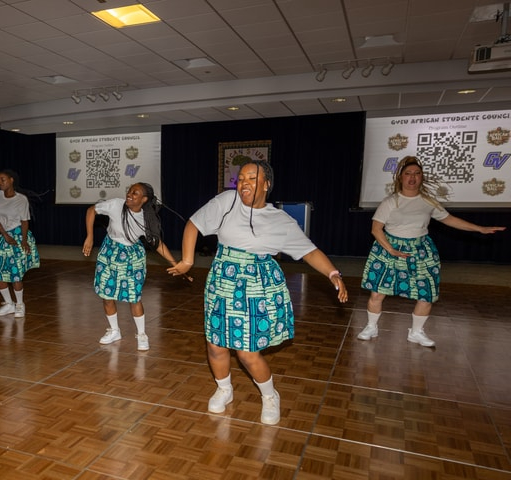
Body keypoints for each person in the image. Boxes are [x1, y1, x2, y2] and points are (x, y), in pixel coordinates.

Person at [168, 160, 347, 425]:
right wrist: (187, 260)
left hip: (257, 287)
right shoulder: (227, 202)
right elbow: (193, 224)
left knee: (246, 351)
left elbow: (309, 251)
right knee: (216, 343)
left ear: (267, 184)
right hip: (223, 282)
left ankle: (270, 395)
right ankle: (224, 389)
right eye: (240, 178)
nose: (244, 183)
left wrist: (334, 274)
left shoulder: (281, 220)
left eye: (252, 178)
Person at [357, 156, 505, 347]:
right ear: (400, 178)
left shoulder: (428, 202)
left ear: (422, 178)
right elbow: (376, 229)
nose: (412, 177)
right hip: (388, 248)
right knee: (377, 292)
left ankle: (416, 332)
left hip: (420, 251)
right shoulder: (391, 201)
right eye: (408, 174)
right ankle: (371, 327)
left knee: (426, 293)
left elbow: (450, 219)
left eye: (417, 174)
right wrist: (391, 250)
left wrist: (480, 229)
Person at [83, 182, 187, 351]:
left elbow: (158, 244)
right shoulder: (116, 204)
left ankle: (141, 334)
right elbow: (91, 210)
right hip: (109, 251)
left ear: (144, 199)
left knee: (134, 296)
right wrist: (90, 236)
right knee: (106, 294)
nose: (130, 194)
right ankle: (114, 330)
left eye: (135, 193)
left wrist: (177, 264)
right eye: (130, 191)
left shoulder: (146, 219)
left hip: (132, 256)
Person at [0, 170, 40, 319]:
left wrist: (24, 241)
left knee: (15, 274)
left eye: (3, 179)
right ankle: (8, 304)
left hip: (19, 235)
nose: (0, 183)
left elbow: (25, 221)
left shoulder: (21, 199)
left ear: (11, 180)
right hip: (4, 236)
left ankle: (19, 304)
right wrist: (5, 235)